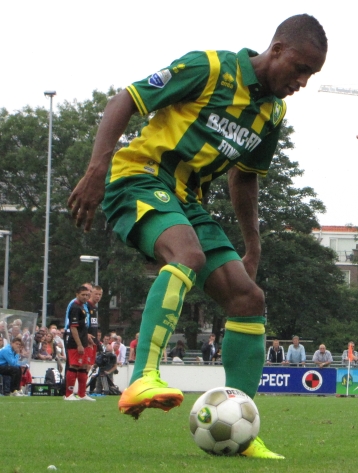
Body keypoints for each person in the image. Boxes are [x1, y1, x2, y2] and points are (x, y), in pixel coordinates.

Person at [67, 14, 327, 460]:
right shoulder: (210, 68)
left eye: (311, 74)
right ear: (278, 48)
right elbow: (124, 100)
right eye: (299, 67)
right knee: (186, 254)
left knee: (249, 299)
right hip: (139, 176)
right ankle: (142, 378)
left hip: (188, 201)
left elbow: (244, 179)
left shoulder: (273, 112)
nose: (302, 81)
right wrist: (96, 169)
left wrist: (253, 246)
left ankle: (241, 424)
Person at [64, 286, 96, 401]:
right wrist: (79, 344)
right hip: (75, 342)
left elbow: (83, 327)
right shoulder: (75, 307)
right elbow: (73, 328)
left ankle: (82, 394)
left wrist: (86, 338)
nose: (85, 297)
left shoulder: (83, 307)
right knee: (74, 366)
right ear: (77, 294)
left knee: (83, 366)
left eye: (87, 295)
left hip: (83, 341)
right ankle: (68, 394)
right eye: (83, 295)